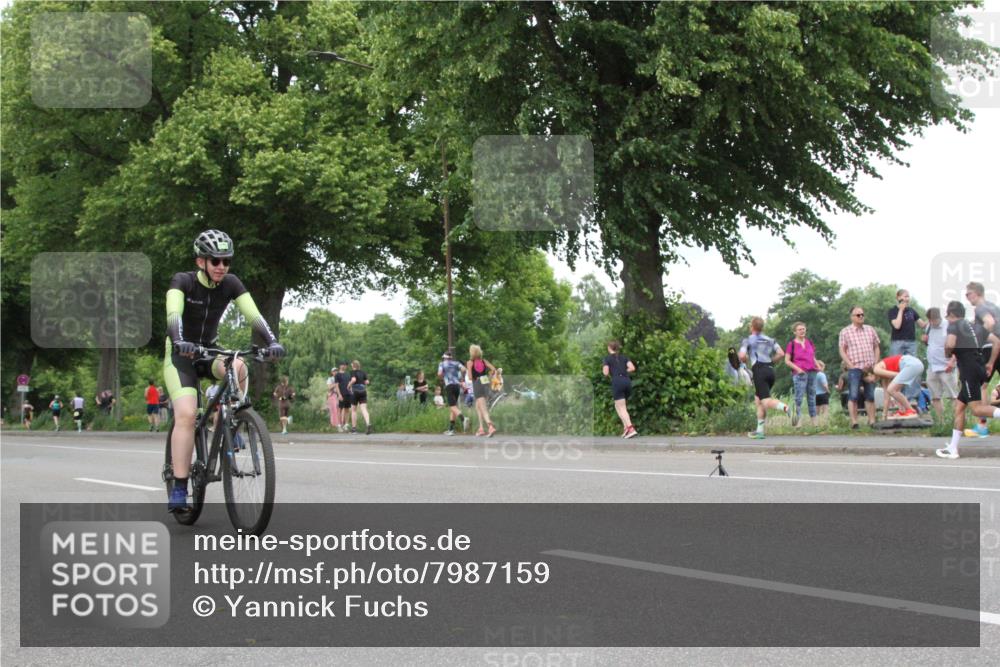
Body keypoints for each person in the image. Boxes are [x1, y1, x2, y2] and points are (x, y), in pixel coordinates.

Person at [164, 229, 284, 513]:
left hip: (210, 351)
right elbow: (173, 315)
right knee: (186, 415)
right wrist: (180, 342)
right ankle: (180, 486)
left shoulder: (230, 283)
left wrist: (273, 342)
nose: (221, 267)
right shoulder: (182, 281)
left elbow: (254, 315)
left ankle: (227, 419)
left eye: (226, 261)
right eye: (215, 261)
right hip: (181, 355)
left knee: (239, 364)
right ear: (200, 262)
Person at [936, 301, 1000, 459]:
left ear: (952, 314)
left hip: (968, 371)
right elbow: (997, 342)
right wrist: (990, 363)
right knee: (959, 407)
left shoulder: (954, 325)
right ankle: (953, 448)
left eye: (948, 316)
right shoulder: (975, 327)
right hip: (979, 368)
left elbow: (950, 344)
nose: (948, 319)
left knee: (977, 409)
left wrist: (947, 352)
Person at [739, 317, 789, 439]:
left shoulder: (748, 340)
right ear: (762, 327)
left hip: (759, 371)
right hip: (770, 371)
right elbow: (781, 353)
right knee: (759, 400)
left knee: (766, 401)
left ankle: (787, 409)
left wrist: (744, 360)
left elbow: (742, 356)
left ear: (752, 327)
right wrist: (771, 362)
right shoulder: (770, 340)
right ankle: (760, 431)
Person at [965, 281, 1000, 438]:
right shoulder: (993, 306)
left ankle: (982, 426)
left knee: (983, 386)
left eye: (968, 294)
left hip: (990, 348)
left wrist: (979, 335)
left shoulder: (980, 308)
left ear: (977, 293)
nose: (967, 298)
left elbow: (990, 323)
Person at [838, 306, 881, 429]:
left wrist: (876, 363)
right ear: (852, 317)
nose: (861, 316)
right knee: (853, 395)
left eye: (862, 314)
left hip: (869, 367)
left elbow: (876, 346)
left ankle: (872, 421)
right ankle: (854, 422)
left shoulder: (870, 329)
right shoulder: (845, 332)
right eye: (858, 315)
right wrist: (850, 365)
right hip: (854, 367)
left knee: (870, 395)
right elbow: (842, 350)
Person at [887, 289, 926, 402]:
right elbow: (897, 326)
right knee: (897, 369)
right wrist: (901, 310)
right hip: (897, 343)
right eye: (904, 296)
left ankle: (912, 397)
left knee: (913, 368)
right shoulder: (892, 311)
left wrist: (932, 318)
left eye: (908, 296)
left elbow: (922, 324)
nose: (907, 299)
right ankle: (897, 397)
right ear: (898, 297)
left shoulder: (911, 311)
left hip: (911, 342)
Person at [922, 307, 959, 420]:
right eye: (930, 320)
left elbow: (957, 345)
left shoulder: (949, 326)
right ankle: (940, 421)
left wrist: (953, 361)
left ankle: (956, 421)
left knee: (953, 395)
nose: (932, 323)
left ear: (939, 317)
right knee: (935, 396)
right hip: (932, 366)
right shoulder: (928, 327)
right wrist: (925, 341)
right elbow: (930, 344)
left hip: (946, 366)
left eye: (934, 320)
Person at [784, 322, 820, 427]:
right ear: (795, 332)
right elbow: (787, 361)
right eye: (799, 329)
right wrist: (798, 369)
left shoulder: (809, 342)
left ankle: (815, 423)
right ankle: (798, 423)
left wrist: (818, 365)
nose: (802, 331)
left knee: (812, 397)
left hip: (812, 372)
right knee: (799, 398)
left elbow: (812, 356)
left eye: (803, 329)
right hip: (800, 374)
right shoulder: (792, 344)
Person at [602, 340, 637, 438]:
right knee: (618, 406)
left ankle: (630, 428)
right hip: (627, 381)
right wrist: (623, 371)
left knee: (622, 407)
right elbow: (632, 368)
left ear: (609, 348)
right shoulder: (624, 357)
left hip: (617, 382)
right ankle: (626, 428)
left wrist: (607, 371)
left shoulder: (607, 359)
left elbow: (605, 372)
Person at [872, 354, 923, 419]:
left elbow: (897, 375)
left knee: (891, 389)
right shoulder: (884, 375)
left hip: (910, 363)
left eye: (868, 380)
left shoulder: (876, 369)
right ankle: (902, 411)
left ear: (870, 374)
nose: (871, 382)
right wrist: (884, 415)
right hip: (915, 364)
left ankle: (911, 410)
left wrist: (902, 375)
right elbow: (886, 397)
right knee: (894, 390)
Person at [467, 344, 498, 437]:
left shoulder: (470, 362)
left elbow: (470, 377)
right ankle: (481, 428)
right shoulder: (484, 361)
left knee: (483, 407)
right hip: (485, 383)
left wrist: (471, 371)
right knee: (478, 406)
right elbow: (493, 369)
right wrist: (489, 376)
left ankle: (490, 426)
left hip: (477, 383)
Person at [438, 351, 467, 435]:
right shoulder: (456, 363)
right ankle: (451, 430)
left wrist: (443, 376)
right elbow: (464, 369)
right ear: (450, 357)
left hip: (449, 386)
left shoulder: (442, 364)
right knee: (453, 408)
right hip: (457, 386)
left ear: (444, 357)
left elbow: (439, 374)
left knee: (452, 407)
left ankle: (463, 419)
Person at [347, 360, 372, 434]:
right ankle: (368, 424)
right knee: (364, 409)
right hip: (363, 392)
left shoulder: (352, 372)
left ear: (353, 366)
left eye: (352, 364)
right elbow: (367, 382)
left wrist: (349, 386)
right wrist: (362, 382)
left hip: (355, 392)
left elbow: (353, 380)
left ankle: (354, 429)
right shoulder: (363, 372)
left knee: (354, 410)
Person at [334, 362, 353, 433]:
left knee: (347, 409)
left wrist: (351, 392)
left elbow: (350, 384)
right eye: (343, 365)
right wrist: (339, 394)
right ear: (340, 366)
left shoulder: (348, 374)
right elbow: (336, 385)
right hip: (341, 394)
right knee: (340, 409)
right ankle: (339, 425)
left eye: (345, 365)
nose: (344, 366)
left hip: (348, 394)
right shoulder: (337, 375)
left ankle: (346, 425)